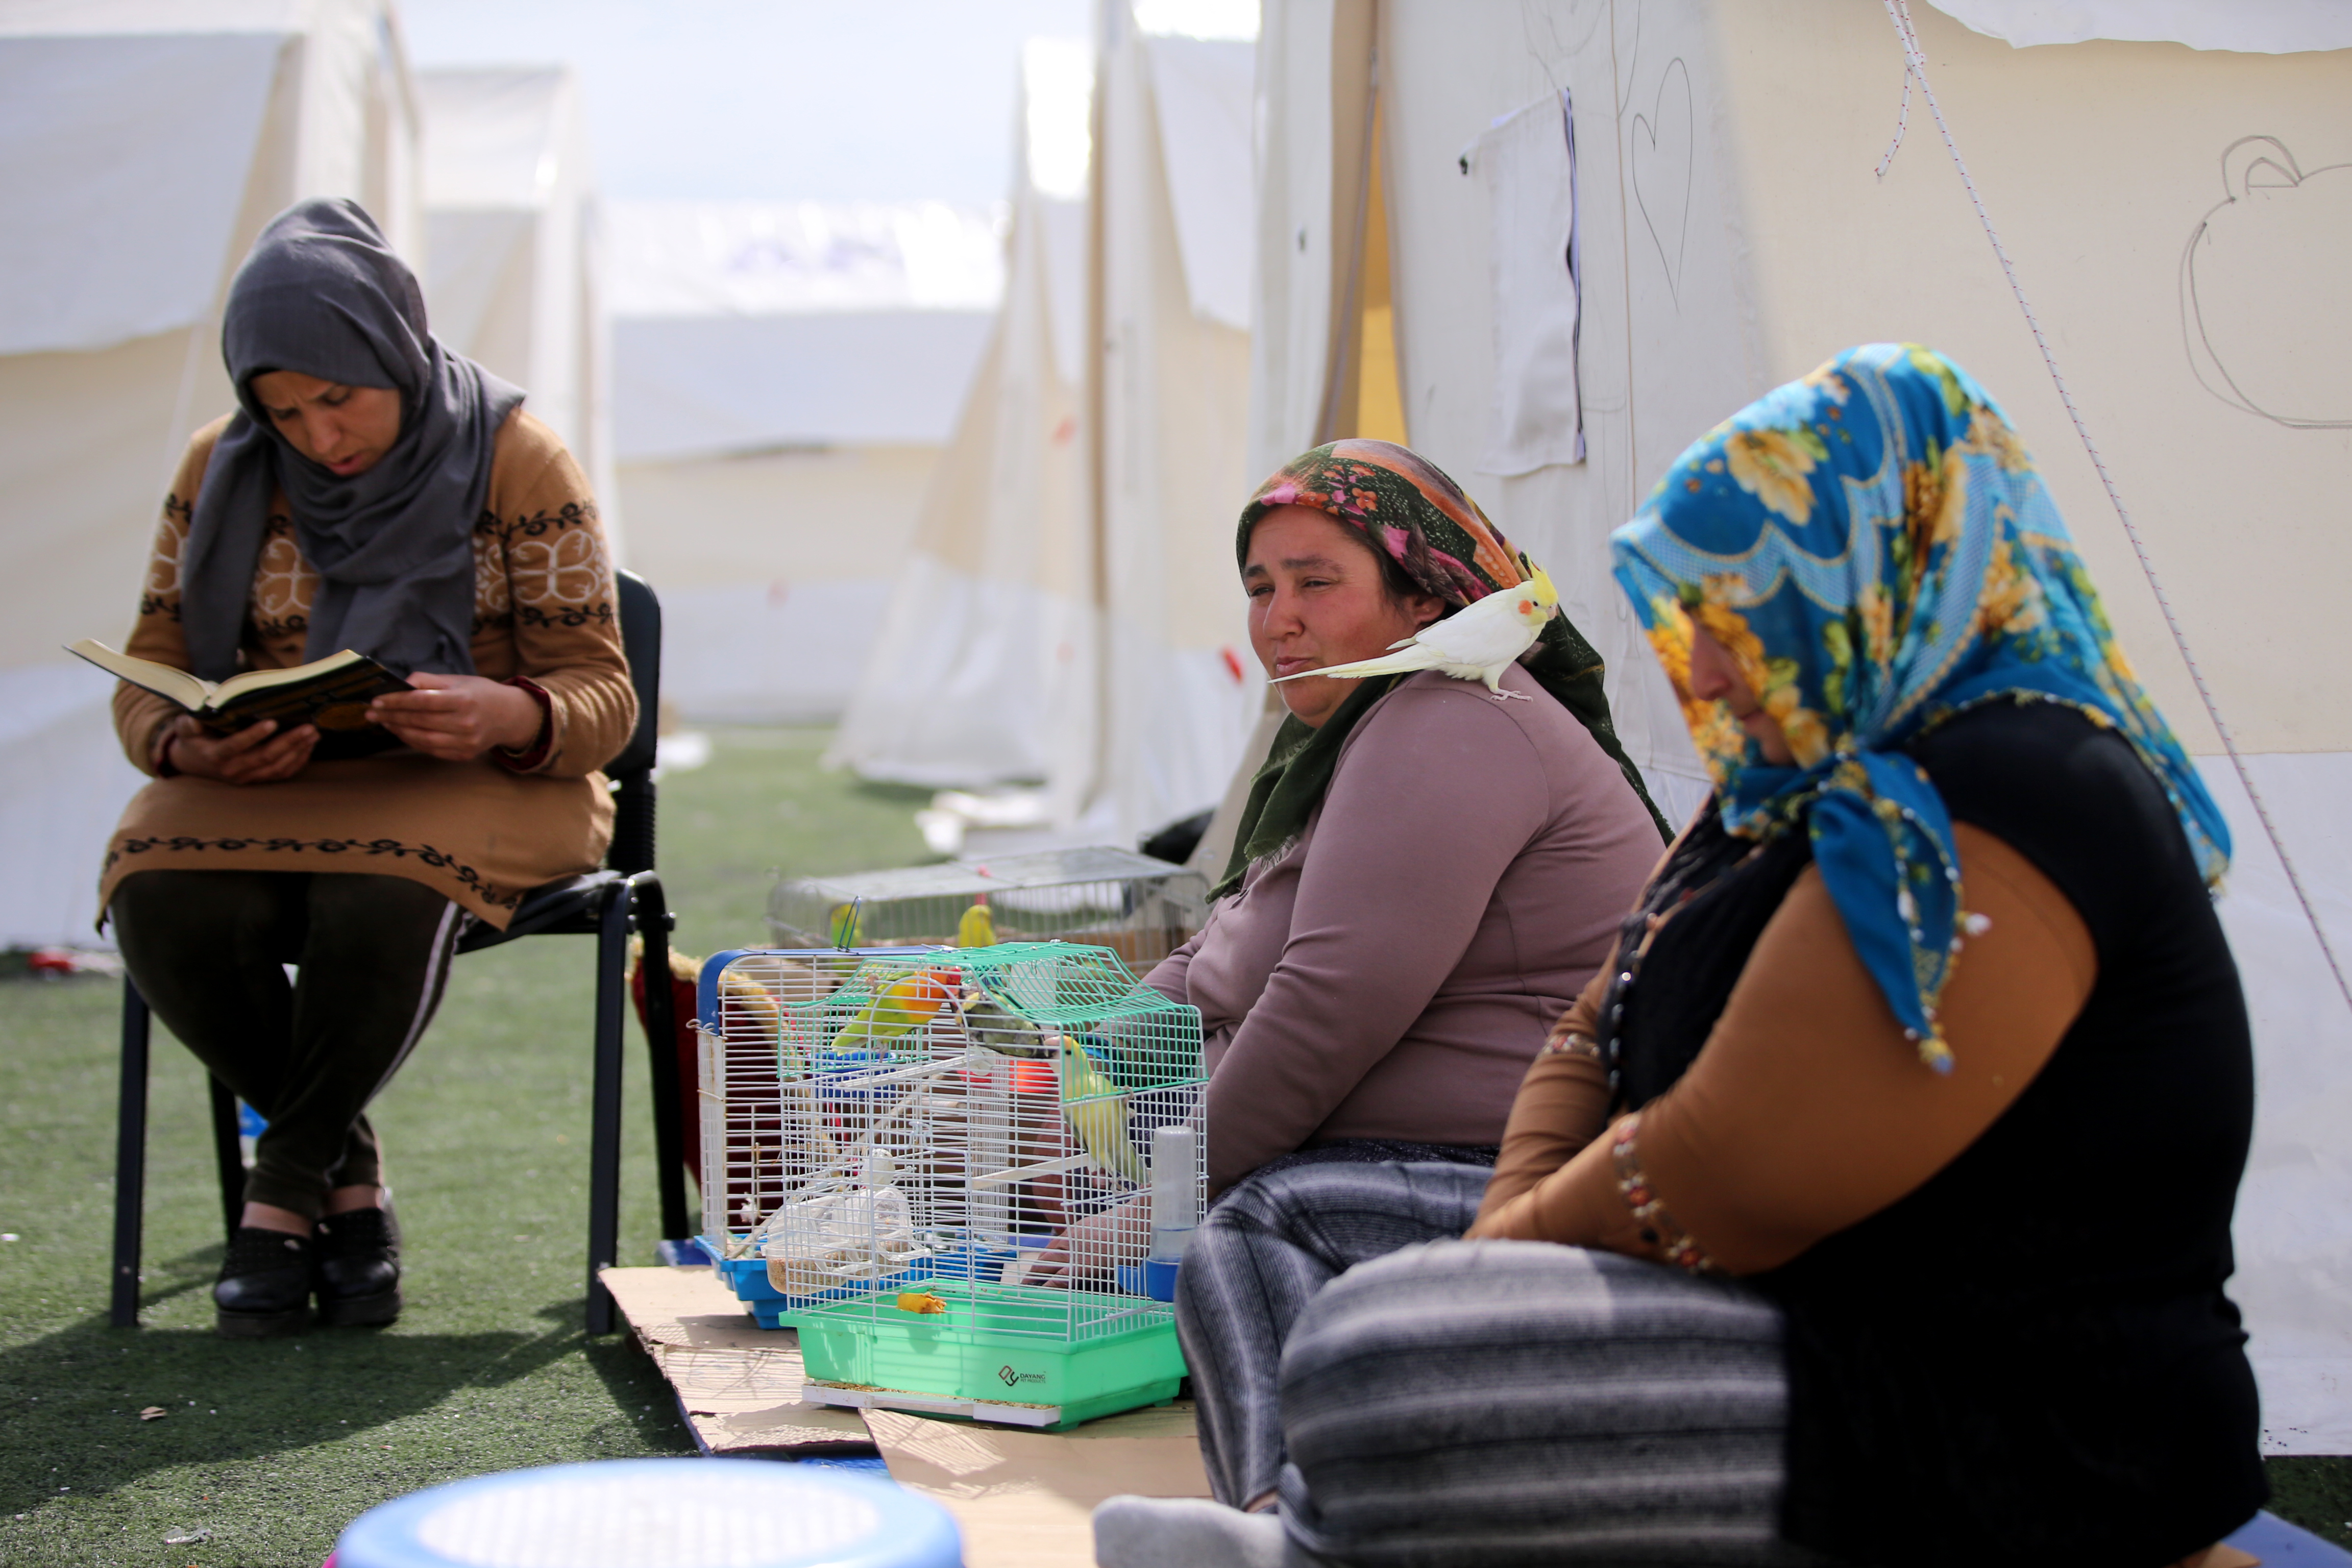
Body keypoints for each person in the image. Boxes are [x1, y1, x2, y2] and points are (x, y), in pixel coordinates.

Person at [1094, 346, 2265, 1567]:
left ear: (1873, 570)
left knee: (1378, 1353)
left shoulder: (2020, 794)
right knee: (1382, 1339)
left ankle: (1298, 1546)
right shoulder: (1786, 790)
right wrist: (1500, 1267)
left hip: (2006, 1401)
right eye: (1687, 621)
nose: (1698, 668)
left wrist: (1493, 1282)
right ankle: (1307, 1543)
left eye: (1737, 612)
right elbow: (1591, 1032)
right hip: (1800, 1310)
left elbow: (1734, 1164)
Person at [100, 199, 635, 1338]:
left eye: (337, 398)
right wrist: (188, 738)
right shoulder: (221, 464)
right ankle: (348, 1187)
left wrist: (505, 710)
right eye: (284, 411)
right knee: (153, 880)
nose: (317, 435)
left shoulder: (517, 456)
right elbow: (149, 669)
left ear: (392, 347)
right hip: (273, 782)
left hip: (483, 780)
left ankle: (282, 1197)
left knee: (382, 890)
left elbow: (604, 697)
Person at [1030, 441, 1662, 1292]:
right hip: (1346, 1138)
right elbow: (1221, 951)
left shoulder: (1452, 721)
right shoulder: (1351, 733)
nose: (1276, 619)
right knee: (991, 1135)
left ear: (1425, 595)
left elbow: (1325, 1007)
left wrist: (1157, 1206)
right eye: (1260, 588)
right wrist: (1085, 1076)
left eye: (1315, 583)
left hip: (1485, 1165)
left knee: (1242, 1245)